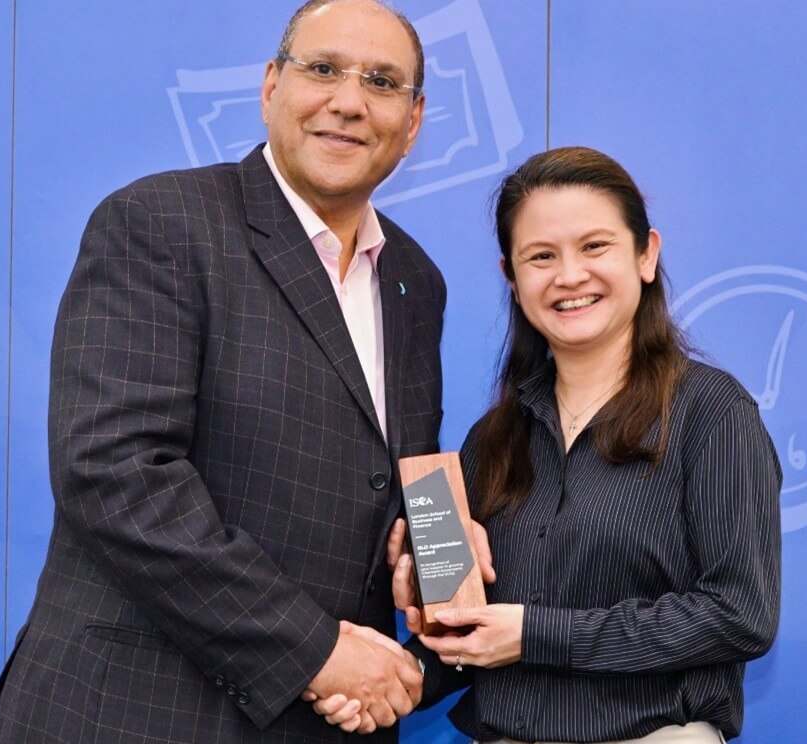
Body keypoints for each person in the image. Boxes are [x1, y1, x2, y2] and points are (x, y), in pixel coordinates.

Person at [0, 1, 485, 741]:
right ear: (270, 87)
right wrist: (316, 651)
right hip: (140, 711)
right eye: (322, 70)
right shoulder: (160, 221)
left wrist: (440, 559)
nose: (347, 102)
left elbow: (397, 472)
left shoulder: (415, 280)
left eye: (382, 82)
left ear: (411, 123)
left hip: (319, 723)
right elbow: (115, 473)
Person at [314, 147, 782, 742]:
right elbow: (477, 632)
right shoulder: (493, 440)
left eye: (595, 247)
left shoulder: (711, 413)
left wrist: (535, 634)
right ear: (512, 277)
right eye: (541, 256)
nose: (569, 276)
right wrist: (394, 676)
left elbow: (741, 615)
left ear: (646, 255)